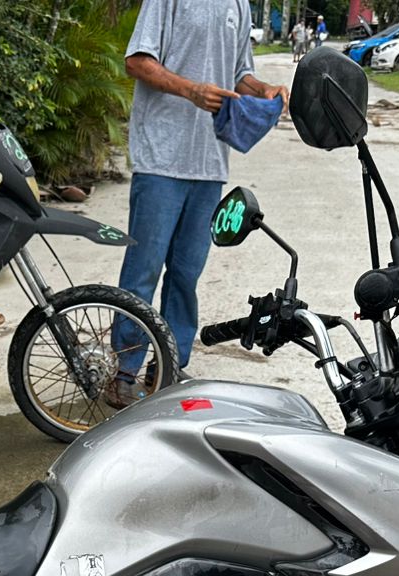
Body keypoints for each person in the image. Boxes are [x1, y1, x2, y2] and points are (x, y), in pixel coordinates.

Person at [113, 0, 290, 401]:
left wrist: (264, 90)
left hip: (209, 163)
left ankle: (169, 367)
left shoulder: (239, 5)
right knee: (143, 271)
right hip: (160, 158)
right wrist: (190, 90)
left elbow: (239, 73)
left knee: (186, 273)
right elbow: (137, 62)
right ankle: (123, 371)